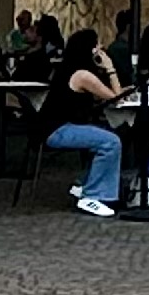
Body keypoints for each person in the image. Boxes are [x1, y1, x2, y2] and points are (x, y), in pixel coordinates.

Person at [48, 22, 126, 216]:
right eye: (97, 45)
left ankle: (85, 183)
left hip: (54, 126)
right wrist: (110, 67)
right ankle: (93, 195)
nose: (101, 48)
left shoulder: (70, 69)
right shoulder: (83, 75)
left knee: (104, 136)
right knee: (111, 142)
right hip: (58, 129)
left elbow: (109, 94)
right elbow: (116, 98)